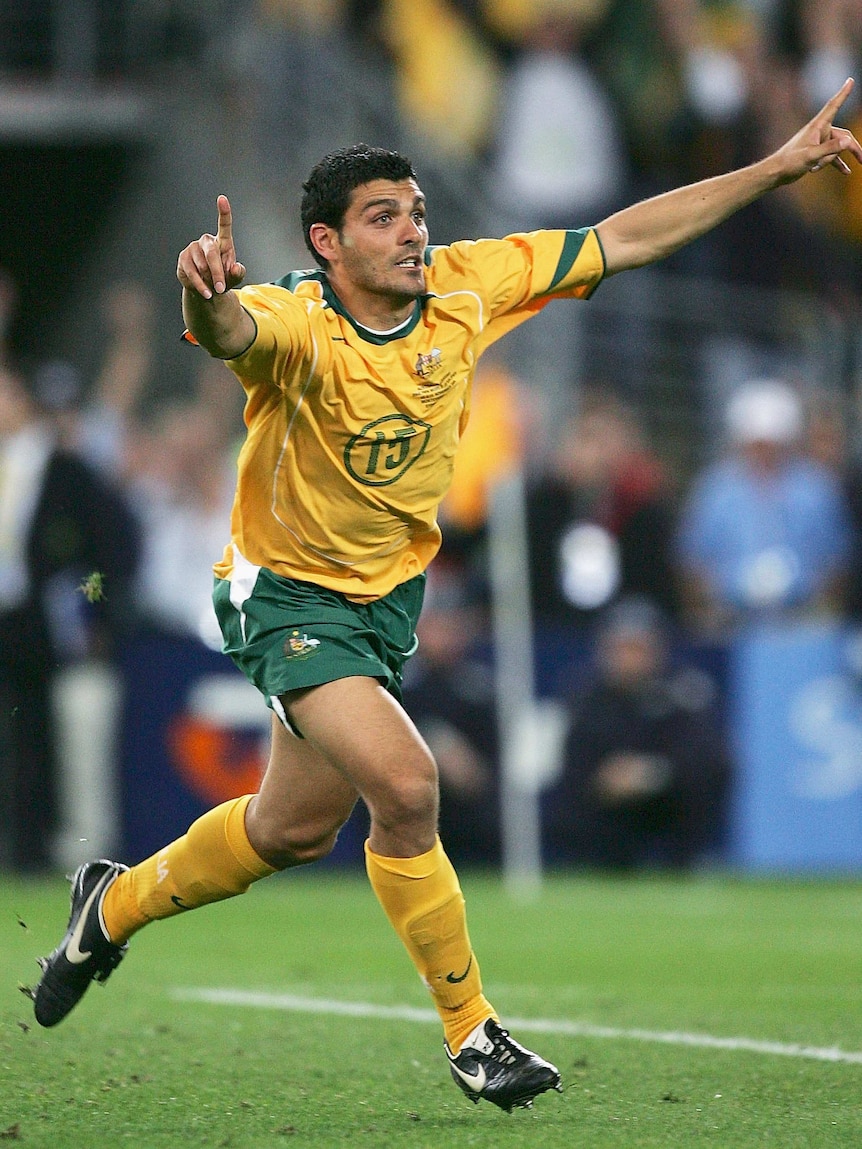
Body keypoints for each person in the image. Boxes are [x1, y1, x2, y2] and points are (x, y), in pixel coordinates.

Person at [32, 83, 862, 1111]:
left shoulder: (468, 289)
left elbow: (623, 237)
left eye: (418, 210)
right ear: (327, 243)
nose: (414, 230)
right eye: (386, 217)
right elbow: (231, 327)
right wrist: (201, 290)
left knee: (291, 831)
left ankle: (108, 908)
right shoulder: (301, 321)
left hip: (381, 610)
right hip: (284, 595)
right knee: (409, 786)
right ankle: (475, 1036)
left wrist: (775, 167)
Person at [544, 596, 732, 871]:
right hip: (601, 804)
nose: (628, 658)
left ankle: (686, 861)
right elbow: (569, 761)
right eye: (620, 648)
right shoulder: (583, 695)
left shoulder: (685, 691)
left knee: (710, 777)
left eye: (637, 648)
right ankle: (589, 863)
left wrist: (652, 773)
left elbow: (706, 755)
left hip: (665, 800)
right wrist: (605, 777)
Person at [677, 378, 852, 631]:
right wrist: (707, 610)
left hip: (802, 620)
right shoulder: (715, 490)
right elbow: (693, 558)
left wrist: (822, 612)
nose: (763, 454)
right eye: (756, 445)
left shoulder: (817, 490)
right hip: (730, 620)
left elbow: (837, 559)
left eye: (772, 445)